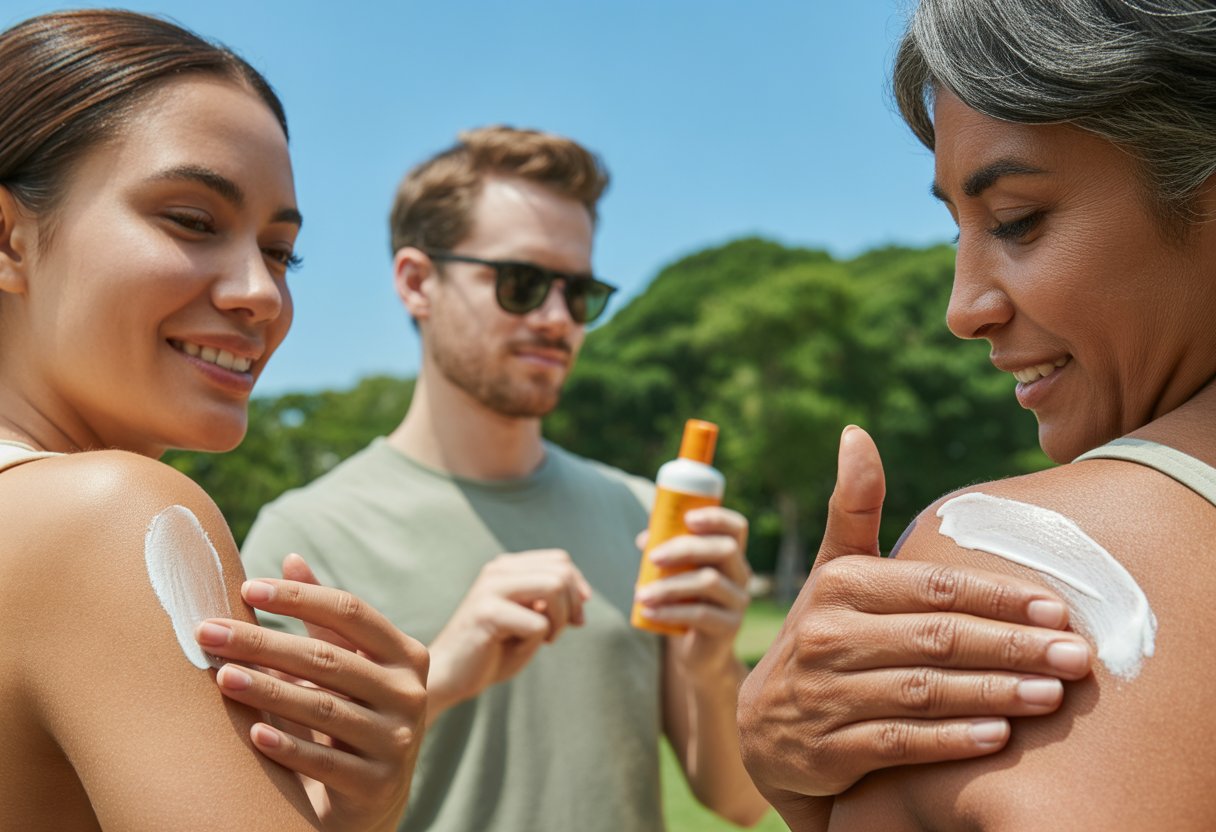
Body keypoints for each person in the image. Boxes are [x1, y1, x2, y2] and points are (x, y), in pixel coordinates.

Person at [738, 0, 1216, 828]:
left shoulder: (999, 566)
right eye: (959, 228)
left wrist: (829, 806)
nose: (964, 309)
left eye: (1015, 221)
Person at [241, 125, 772, 831]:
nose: (558, 320)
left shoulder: (640, 514)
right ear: (417, 282)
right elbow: (282, 816)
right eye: (522, 284)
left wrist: (710, 663)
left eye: (580, 293)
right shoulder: (305, 540)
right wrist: (442, 673)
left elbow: (737, 803)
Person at [0, 10, 429, 830]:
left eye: (279, 251)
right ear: (7, 237)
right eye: (192, 221)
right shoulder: (111, 515)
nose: (262, 294)